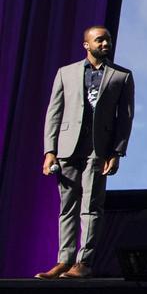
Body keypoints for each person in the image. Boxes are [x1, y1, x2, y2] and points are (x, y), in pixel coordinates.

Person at [36, 26, 136, 279]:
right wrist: (50, 150)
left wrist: (116, 152)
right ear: (86, 44)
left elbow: (124, 119)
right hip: (68, 147)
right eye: (99, 40)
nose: (105, 44)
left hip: (98, 149)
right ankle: (64, 260)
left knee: (91, 206)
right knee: (67, 206)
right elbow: (54, 113)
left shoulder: (121, 76)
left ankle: (84, 262)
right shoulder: (66, 73)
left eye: (107, 40)